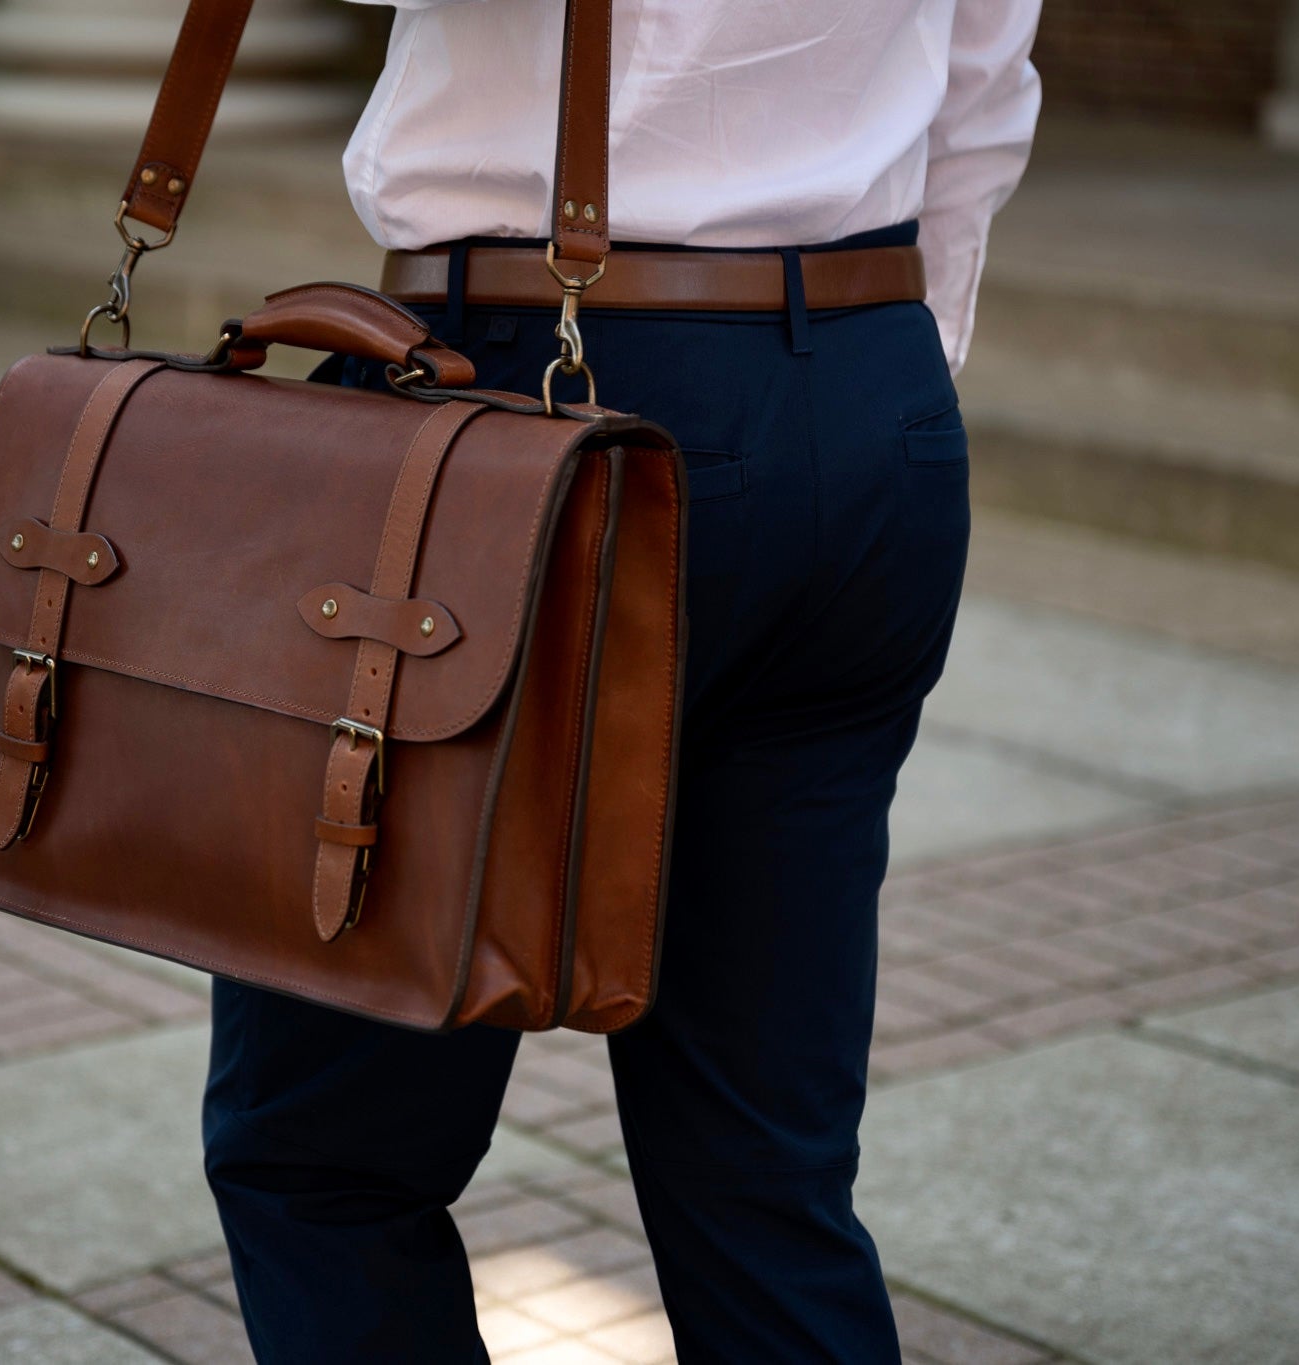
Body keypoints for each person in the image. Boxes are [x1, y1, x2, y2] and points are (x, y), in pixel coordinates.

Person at [202, 1, 1043, 1359]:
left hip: (543, 390)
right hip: (868, 389)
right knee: (765, 1175)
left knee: (322, 1161)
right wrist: (890, 360)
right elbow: (987, 73)